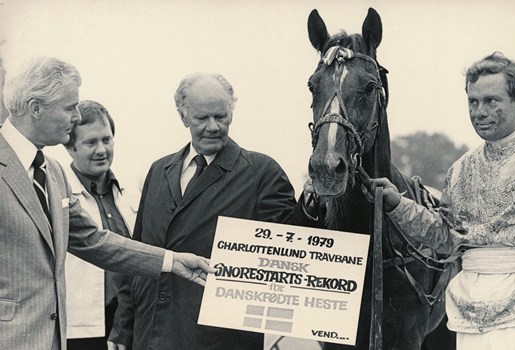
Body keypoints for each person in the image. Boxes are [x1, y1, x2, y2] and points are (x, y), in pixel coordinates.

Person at [0, 56, 215, 350]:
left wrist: (172, 261)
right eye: (69, 108)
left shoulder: (53, 173)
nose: (76, 117)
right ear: (36, 108)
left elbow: (93, 240)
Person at [108, 72, 318, 350]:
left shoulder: (260, 173)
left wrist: (312, 202)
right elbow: (138, 257)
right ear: (183, 116)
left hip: (218, 340)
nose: (213, 127)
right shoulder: (159, 171)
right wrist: (123, 330)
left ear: (232, 113)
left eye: (221, 117)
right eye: (201, 118)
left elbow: (292, 249)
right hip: (150, 335)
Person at [367, 52, 515, 349]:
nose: (480, 111)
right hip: (470, 313)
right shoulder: (461, 169)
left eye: (492, 100)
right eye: (473, 101)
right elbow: (447, 239)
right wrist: (397, 204)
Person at [61, 100, 141, 350]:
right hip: (80, 328)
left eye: (106, 140)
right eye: (90, 142)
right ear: (70, 148)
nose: (101, 150)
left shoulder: (133, 192)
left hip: (130, 324)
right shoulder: (58, 193)